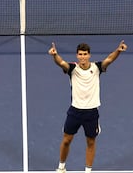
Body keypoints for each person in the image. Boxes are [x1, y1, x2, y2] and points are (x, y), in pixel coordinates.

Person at [48, 40, 127, 173]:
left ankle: (88, 171)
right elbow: (61, 63)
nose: (83, 57)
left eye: (85, 54)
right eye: (80, 54)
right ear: (77, 56)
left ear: (89, 55)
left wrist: (118, 50)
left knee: (90, 142)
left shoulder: (97, 68)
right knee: (67, 140)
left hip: (91, 113)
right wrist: (55, 55)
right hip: (74, 112)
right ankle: (61, 167)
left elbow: (109, 59)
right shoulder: (72, 69)